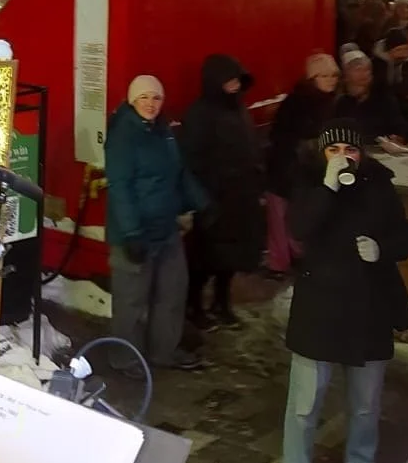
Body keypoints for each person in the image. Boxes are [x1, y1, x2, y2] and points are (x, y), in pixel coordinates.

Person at [279, 121, 408, 463]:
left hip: (367, 306)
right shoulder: (310, 183)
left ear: (362, 153)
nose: (343, 156)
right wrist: (328, 186)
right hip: (319, 304)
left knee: (366, 400)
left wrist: (381, 248)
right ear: (322, 154)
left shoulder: (379, 186)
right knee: (305, 400)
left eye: (350, 149)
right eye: (333, 149)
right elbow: (301, 227)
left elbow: (406, 238)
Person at [105, 76, 207, 372]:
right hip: (135, 232)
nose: (151, 104)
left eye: (156, 98)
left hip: (166, 228)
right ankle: (125, 358)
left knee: (171, 294)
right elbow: (120, 187)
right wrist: (131, 233)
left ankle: (164, 351)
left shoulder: (164, 131)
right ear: (132, 100)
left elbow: (178, 173)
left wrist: (201, 203)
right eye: (144, 98)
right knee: (131, 301)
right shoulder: (123, 135)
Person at [179, 54, 265, 330]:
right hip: (214, 196)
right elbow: (193, 157)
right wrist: (206, 194)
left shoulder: (238, 109)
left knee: (230, 256)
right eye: (228, 80)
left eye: (237, 79)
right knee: (205, 256)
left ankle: (221, 302)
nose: (234, 85)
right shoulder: (200, 113)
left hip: (239, 196)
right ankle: (194, 306)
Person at [265, 53, 341, 278]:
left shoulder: (328, 101)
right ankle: (278, 263)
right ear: (312, 78)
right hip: (287, 167)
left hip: (304, 168)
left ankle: (294, 257)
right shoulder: (299, 102)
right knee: (281, 216)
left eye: (334, 75)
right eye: (325, 75)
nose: (331, 80)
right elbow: (285, 138)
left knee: (296, 215)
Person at [334, 47, 408, 143]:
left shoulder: (385, 101)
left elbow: (401, 129)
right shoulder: (340, 103)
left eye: (367, 70)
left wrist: (399, 138)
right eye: (358, 69)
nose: (363, 74)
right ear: (346, 75)